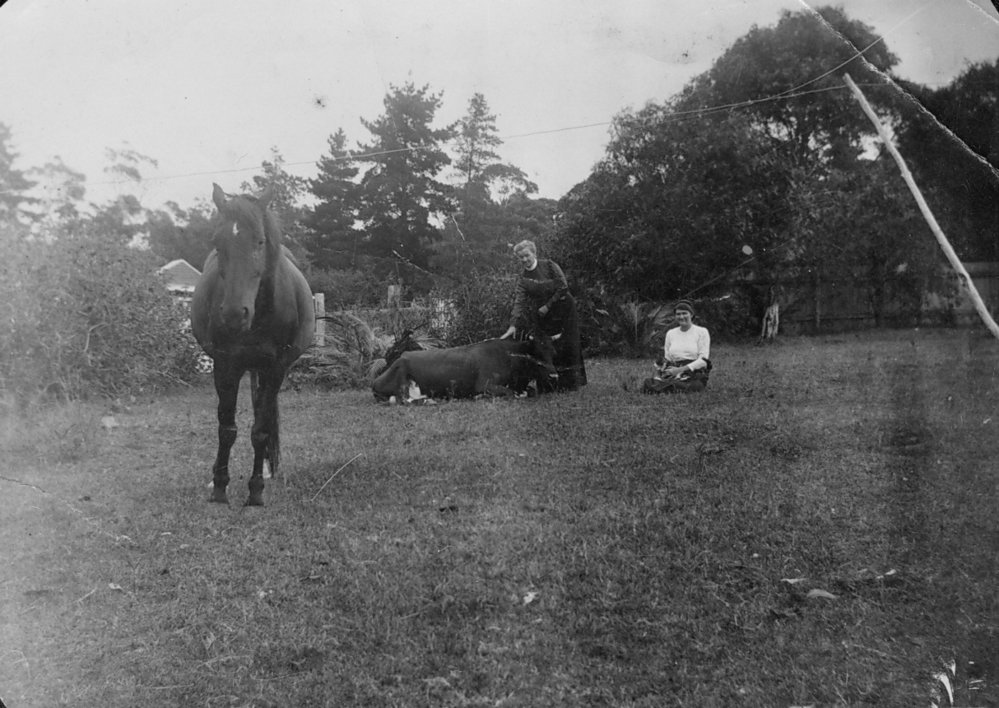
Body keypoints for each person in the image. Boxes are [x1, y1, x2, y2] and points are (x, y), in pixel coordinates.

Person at [500, 240, 587, 391]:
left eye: (527, 255)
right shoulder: (523, 279)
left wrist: (547, 306)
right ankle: (550, 382)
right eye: (521, 257)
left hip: (563, 307)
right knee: (545, 343)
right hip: (544, 313)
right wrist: (513, 325)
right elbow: (519, 302)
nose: (525, 260)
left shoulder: (549, 265)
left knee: (567, 342)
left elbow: (563, 287)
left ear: (534, 253)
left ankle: (570, 383)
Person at [642, 300, 711, 394]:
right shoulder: (671, 333)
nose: (681, 317)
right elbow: (668, 358)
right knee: (648, 382)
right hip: (675, 372)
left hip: (694, 373)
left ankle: (667, 387)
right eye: (678, 314)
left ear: (691, 314)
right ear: (675, 316)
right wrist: (663, 369)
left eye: (684, 313)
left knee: (687, 385)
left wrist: (680, 370)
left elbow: (703, 361)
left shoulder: (702, 332)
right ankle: (666, 386)